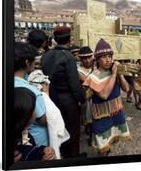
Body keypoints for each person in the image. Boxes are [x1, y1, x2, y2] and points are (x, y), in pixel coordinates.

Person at [41, 26, 86, 158]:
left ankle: (62, 154)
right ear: (70, 39)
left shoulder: (46, 56)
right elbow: (74, 85)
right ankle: (73, 158)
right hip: (68, 101)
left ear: (55, 39)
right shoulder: (68, 57)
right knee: (72, 131)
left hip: (51, 99)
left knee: (59, 129)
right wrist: (82, 98)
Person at [83, 38, 131, 155]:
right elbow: (104, 95)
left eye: (109, 56)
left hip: (116, 114)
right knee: (103, 145)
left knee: (111, 142)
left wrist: (119, 74)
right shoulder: (93, 76)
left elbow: (126, 88)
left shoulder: (113, 73)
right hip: (102, 118)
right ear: (97, 60)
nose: (108, 59)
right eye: (104, 57)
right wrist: (114, 74)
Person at [28, 70, 70, 159]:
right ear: (44, 85)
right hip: (41, 138)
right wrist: (46, 94)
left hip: (34, 136)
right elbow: (48, 119)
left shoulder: (29, 94)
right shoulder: (41, 97)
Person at [14, 42, 49, 147]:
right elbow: (43, 120)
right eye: (34, 59)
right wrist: (46, 94)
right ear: (27, 62)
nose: (35, 62)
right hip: (35, 139)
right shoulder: (31, 92)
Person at [13, 87, 56, 162]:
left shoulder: (24, 132)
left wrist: (43, 149)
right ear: (28, 115)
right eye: (35, 107)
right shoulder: (16, 153)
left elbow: (27, 144)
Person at [77, 46, 95, 146]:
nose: (88, 60)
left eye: (89, 57)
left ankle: (91, 135)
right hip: (86, 100)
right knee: (88, 119)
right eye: (85, 58)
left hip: (96, 98)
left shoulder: (96, 67)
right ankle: (90, 134)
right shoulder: (78, 70)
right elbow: (88, 82)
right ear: (80, 59)